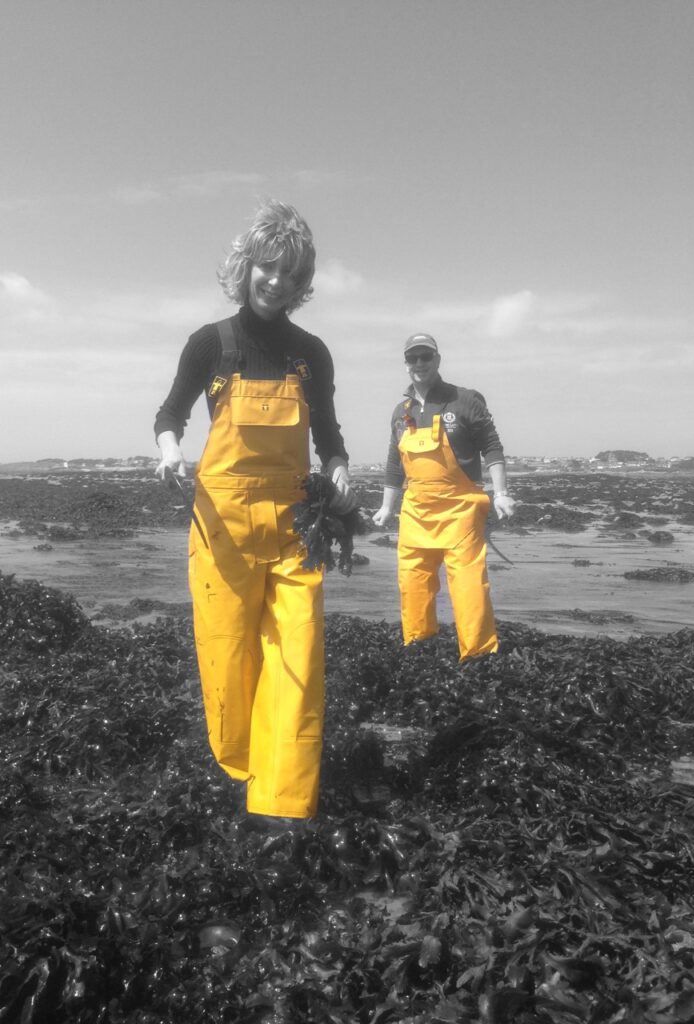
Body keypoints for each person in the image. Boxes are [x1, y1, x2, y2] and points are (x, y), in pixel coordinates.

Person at [154, 200, 355, 823]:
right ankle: (238, 765)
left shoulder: (311, 353)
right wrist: (169, 451)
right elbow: (170, 414)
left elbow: (328, 434)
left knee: (299, 651)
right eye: (269, 267)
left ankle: (283, 799)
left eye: (291, 274)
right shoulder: (210, 343)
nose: (277, 282)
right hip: (223, 526)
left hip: (297, 526)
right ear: (246, 266)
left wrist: (339, 469)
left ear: (302, 283)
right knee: (229, 654)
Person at [372, 333, 515, 660]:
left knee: (468, 584)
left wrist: (501, 493)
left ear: (437, 359)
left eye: (426, 356)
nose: (419, 363)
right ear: (406, 363)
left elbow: (492, 447)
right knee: (413, 581)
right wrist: (386, 507)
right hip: (415, 510)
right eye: (413, 358)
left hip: (461, 508)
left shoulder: (464, 400)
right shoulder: (401, 411)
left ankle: (478, 655)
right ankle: (419, 646)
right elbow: (395, 462)